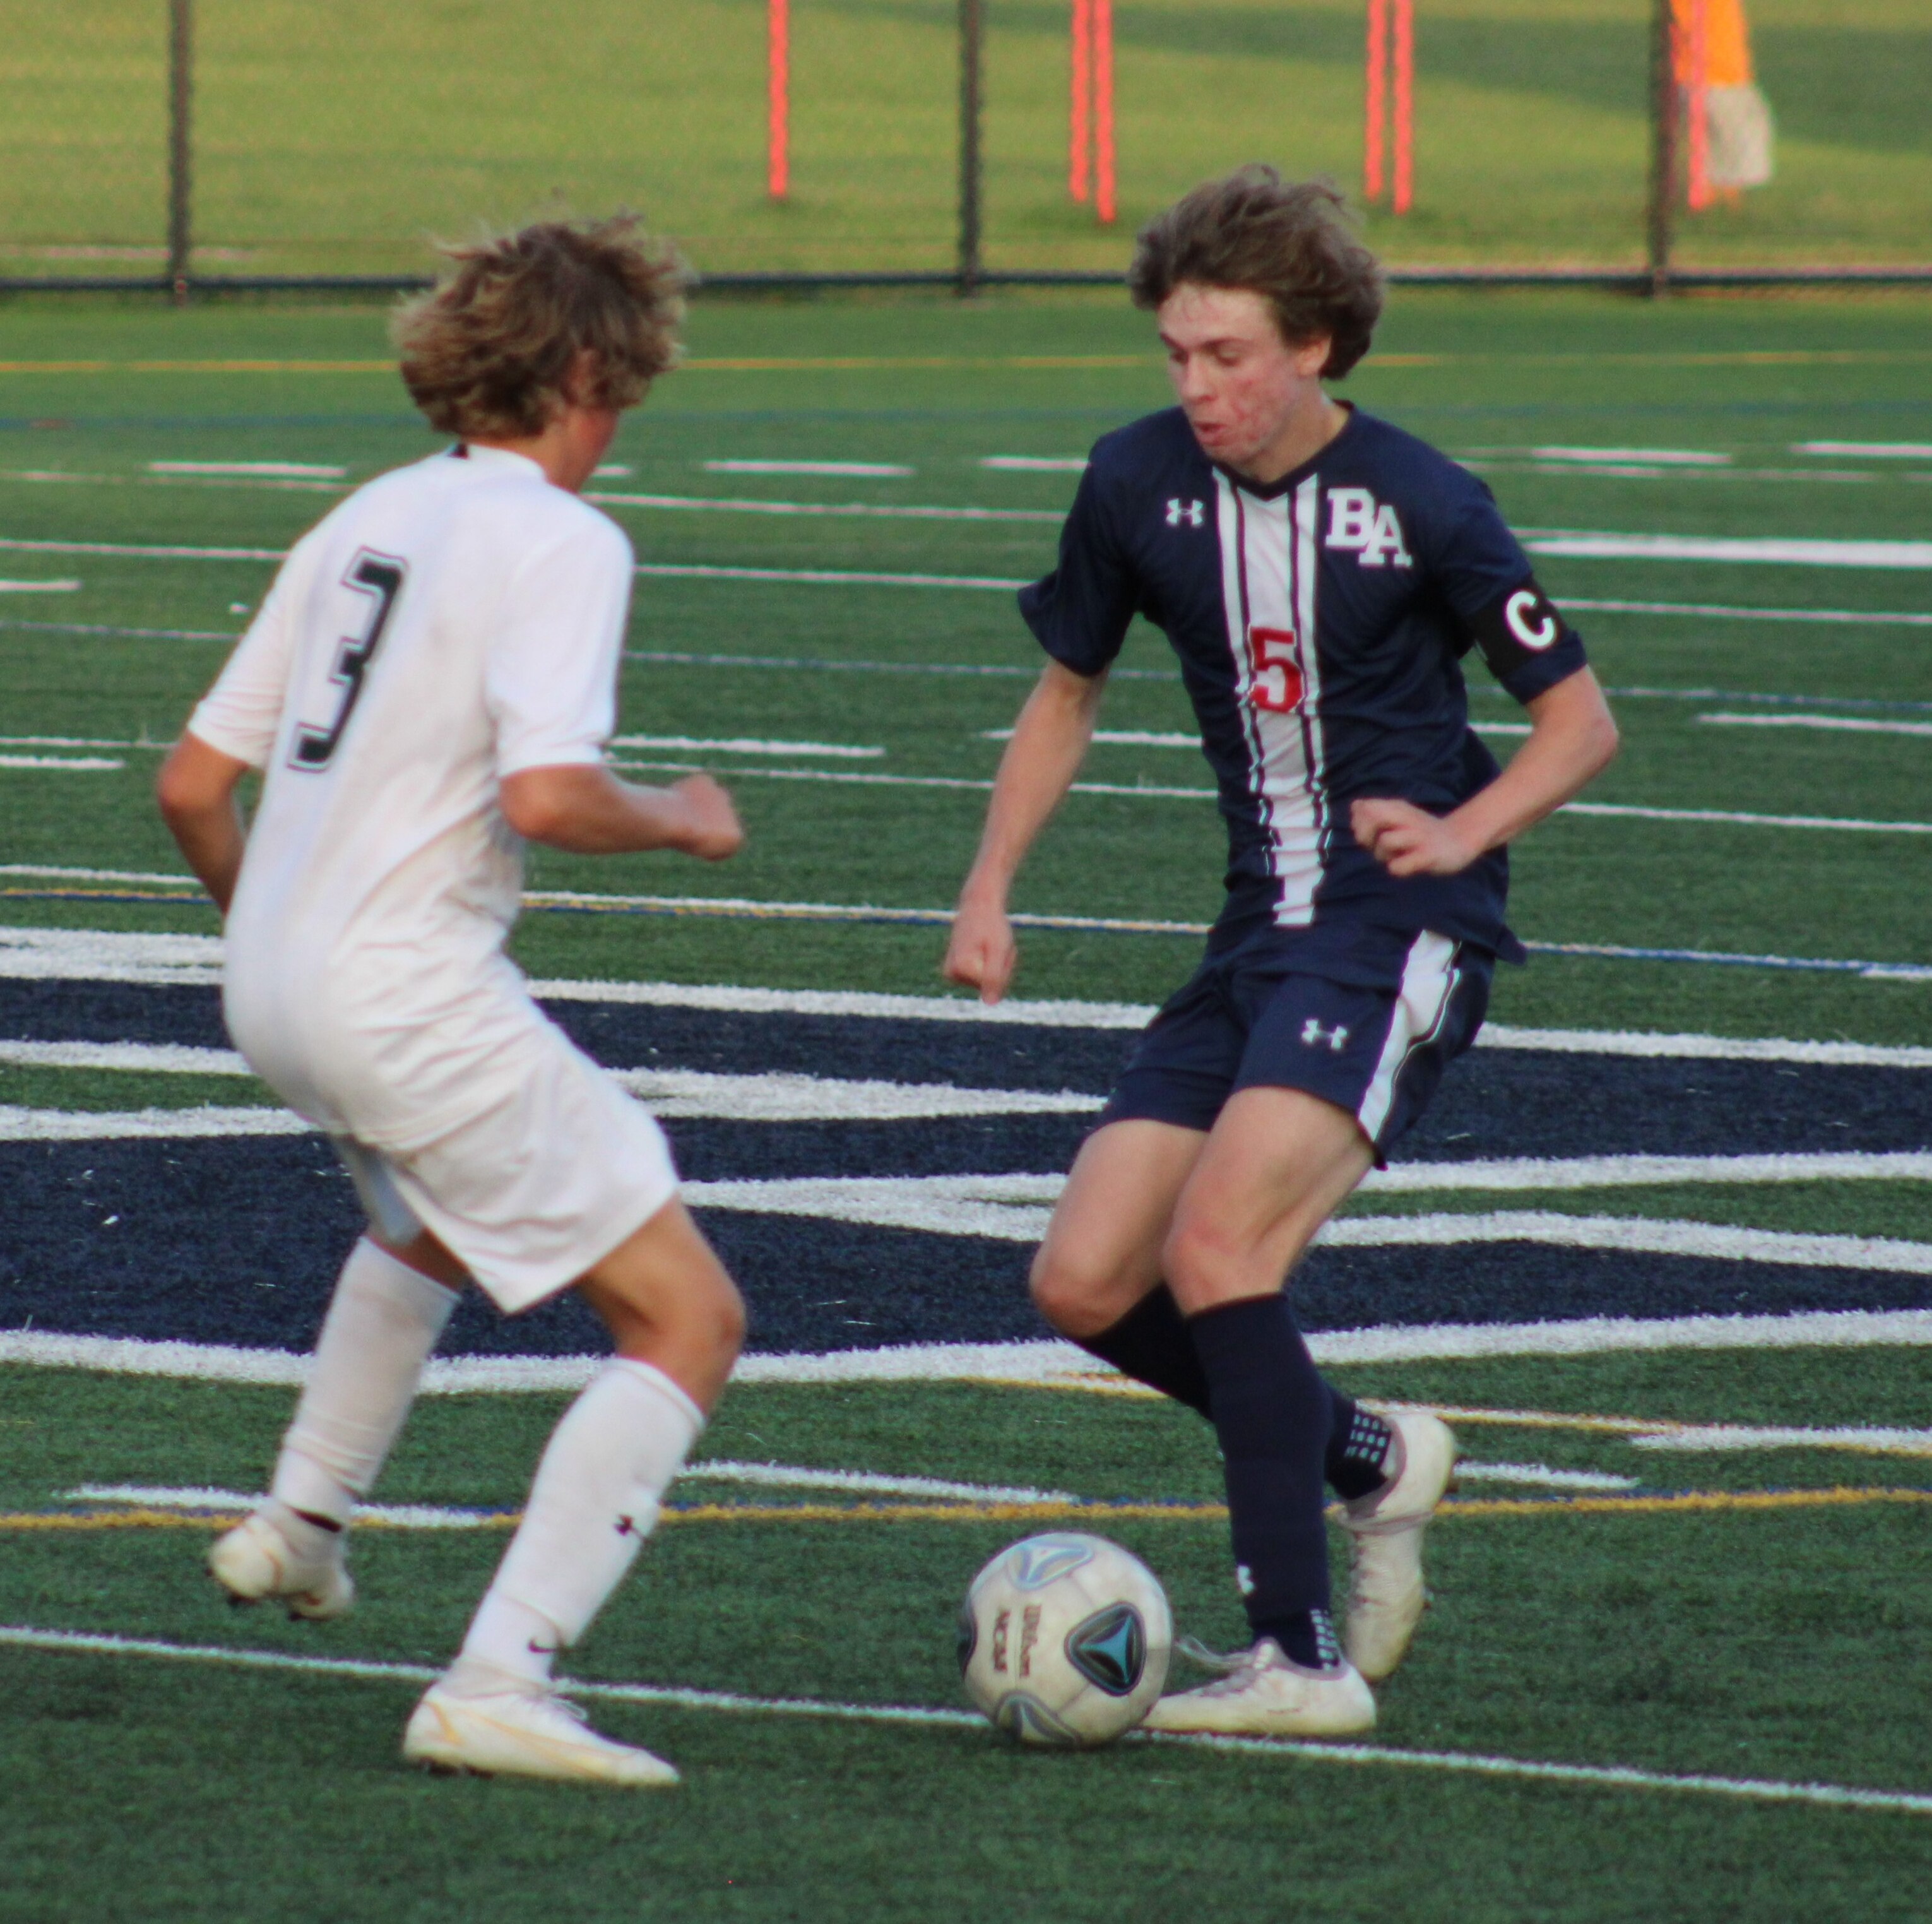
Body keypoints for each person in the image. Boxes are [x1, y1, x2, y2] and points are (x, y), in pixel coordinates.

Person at [944, 169, 1618, 1737]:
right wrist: (990, 884)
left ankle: (1296, 1661)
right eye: (1176, 354)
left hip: (1398, 932)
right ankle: (1370, 1460)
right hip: (1258, 931)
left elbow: (1578, 724)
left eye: (1227, 356)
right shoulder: (1132, 485)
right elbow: (1067, 691)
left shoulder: (1422, 503)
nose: (1196, 388)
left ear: (1314, 346)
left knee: (1219, 1256)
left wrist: (1459, 834)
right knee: (1084, 1278)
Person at [156, 216, 747, 1787]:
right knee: (689, 1315)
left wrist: (288, 941)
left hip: (269, 985)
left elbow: (190, 785)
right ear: (575, 372)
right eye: (620, 393)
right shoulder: (560, 538)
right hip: (399, 994)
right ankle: (502, 1676)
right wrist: (680, 816)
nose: (618, 428)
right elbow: (549, 795)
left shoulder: (369, 513)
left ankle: (299, 1522)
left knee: (425, 1221)